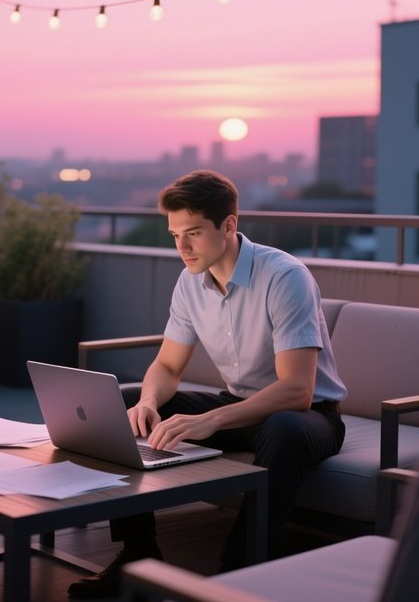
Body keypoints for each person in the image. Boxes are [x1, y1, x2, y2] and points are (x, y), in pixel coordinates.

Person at [67, 169, 347, 599]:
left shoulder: (284, 277)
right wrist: (148, 401)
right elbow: (167, 365)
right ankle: (137, 557)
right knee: (125, 403)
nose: (182, 248)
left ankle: (237, 575)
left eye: (193, 233)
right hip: (239, 405)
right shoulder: (190, 282)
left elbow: (298, 390)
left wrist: (211, 420)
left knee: (284, 428)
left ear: (229, 225)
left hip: (308, 416)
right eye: (175, 235)